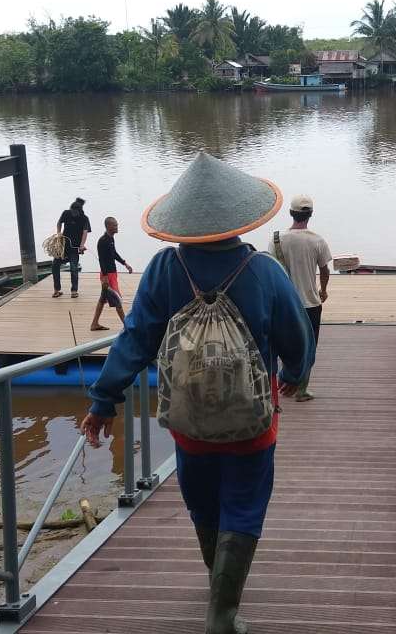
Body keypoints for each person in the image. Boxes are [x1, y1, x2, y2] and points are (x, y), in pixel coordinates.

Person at [82, 152, 313, 634]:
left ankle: (218, 585)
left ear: (181, 224)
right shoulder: (264, 270)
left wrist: (105, 400)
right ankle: (223, 612)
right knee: (244, 504)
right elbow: (297, 333)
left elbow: (135, 340)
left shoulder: (165, 269)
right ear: (240, 219)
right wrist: (296, 372)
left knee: (204, 504)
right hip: (253, 421)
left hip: (188, 423)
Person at [270, 194, 331, 402]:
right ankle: (302, 389)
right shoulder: (317, 240)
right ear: (311, 215)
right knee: (309, 347)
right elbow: (324, 270)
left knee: (283, 344)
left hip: (284, 304)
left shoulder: (277, 239)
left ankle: (284, 381)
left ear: (290, 213)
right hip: (310, 304)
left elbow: (272, 270)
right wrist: (323, 290)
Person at [90, 216, 133, 331]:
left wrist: (125, 264)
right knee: (117, 299)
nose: (117, 227)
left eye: (116, 225)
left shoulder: (110, 239)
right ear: (108, 226)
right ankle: (126, 325)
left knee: (103, 298)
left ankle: (94, 323)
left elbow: (113, 253)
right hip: (107, 275)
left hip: (112, 274)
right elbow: (102, 260)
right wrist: (104, 277)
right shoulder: (103, 241)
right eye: (115, 225)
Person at [51, 198, 91, 298]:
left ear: (79, 211)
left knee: (74, 267)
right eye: (71, 211)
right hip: (63, 245)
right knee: (55, 264)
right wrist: (59, 233)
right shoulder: (66, 213)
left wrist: (82, 245)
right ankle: (57, 290)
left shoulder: (84, 218)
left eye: (74, 212)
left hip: (74, 247)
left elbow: (85, 232)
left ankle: (74, 290)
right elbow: (59, 223)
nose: (72, 213)